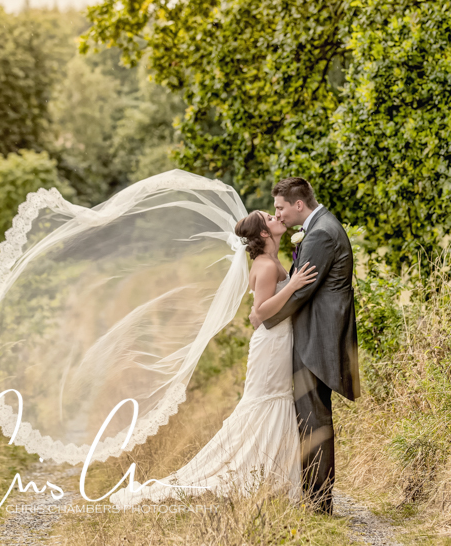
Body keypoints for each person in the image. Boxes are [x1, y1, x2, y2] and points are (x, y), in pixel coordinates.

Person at [109, 210, 317, 506]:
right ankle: (258, 473)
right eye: (270, 217)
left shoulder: (269, 261)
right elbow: (261, 312)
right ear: (263, 234)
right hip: (271, 344)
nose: (277, 217)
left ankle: (269, 474)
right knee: (267, 401)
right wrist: (294, 285)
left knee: (272, 400)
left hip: (278, 341)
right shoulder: (267, 265)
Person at [249, 177, 361, 515]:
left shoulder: (322, 234)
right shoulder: (320, 228)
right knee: (311, 419)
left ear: (299, 204)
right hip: (312, 336)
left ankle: (318, 504)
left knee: (314, 422)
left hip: (317, 341)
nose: (278, 214)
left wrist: (264, 317)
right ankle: (313, 497)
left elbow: (300, 292)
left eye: (281, 207)